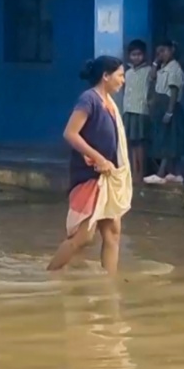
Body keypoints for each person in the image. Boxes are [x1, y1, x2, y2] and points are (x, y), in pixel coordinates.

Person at [48, 56, 133, 275]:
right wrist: (99, 158)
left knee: (113, 233)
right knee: (83, 237)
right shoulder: (89, 100)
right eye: (120, 75)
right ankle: (50, 274)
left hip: (107, 177)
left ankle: (110, 285)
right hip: (89, 176)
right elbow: (70, 133)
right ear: (106, 76)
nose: (123, 80)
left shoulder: (110, 104)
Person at [144, 40, 184, 185]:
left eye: (164, 51)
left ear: (172, 50)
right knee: (170, 139)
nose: (161, 54)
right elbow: (152, 77)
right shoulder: (162, 67)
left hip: (169, 106)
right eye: (158, 52)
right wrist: (155, 62)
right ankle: (175, 173)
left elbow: (173, 91)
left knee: (167, 141)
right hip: (160, 106)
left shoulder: (174, 69)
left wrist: (170, 112)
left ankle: (161, 173)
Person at [122, 40, 155, 181]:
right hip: (128, 110)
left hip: (141, 111)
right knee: (132, 143)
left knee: (140, 143)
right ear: (129, 56)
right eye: (133, 55)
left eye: (139, 54)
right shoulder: (127, 73)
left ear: (144, 55)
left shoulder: (148, 71)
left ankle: (141, 171)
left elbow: (154, 80)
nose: (136, 57)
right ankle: (134, 170)